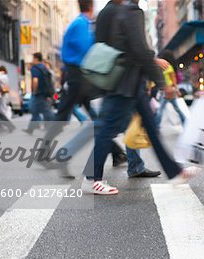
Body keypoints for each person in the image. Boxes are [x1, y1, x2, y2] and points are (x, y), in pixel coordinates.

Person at [80, 0, 199, 195]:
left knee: (150, 127)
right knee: (107, 128)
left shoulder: (107, 12)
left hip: (125, 80)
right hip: (126, 82)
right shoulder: (132, 10)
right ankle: (91, 178)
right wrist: (162, 83)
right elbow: (140, 50)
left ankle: (174, 173)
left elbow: (107, 45)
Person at [39, 0, 159, 178]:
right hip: (88, 76)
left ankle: (129, 161)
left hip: (95, 75)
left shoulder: (97, 16)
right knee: (102, 123)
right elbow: (94, 50)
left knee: (112, 121)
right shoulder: (88, 21)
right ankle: (77, 159)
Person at [23, 52, 54, 135]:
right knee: (36, 110)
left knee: (44, 110)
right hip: (45, 92)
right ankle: (30, 129)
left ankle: (56, 124)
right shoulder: (44, 67)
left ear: (36, 58)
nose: (32, 60)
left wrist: (35, 90)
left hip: (39, 93)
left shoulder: (35, 68)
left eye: (33, 58)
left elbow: (35, 80)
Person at [154, 50, 186, 128]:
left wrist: (176, 90)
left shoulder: (168, 67)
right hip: (166, 91)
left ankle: (156, 126)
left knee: (160, 110)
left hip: (168, 91)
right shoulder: (162, 67)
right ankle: (185, 123)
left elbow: (173, 79)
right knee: (176, 109)